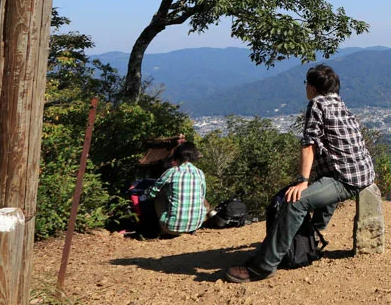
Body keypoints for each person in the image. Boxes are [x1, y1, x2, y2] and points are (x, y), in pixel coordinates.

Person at [225, 64, 376, 283]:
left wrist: (302, 181)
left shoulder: (316, 104)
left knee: (295, 201)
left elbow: (308, 145)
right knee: (320, 183)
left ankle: (263, 267)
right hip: (363, 172)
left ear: (313, 88)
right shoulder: (339, 103)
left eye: (307, 84)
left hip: (347, 179)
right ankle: (312, 233)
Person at [144, 141, 207, 236]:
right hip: (196, 225)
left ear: (176, 157)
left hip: (171, 227)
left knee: (159, 195)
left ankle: (161, 230)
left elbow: (152, 193)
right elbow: (203, 195)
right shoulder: (200, 173)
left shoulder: (171, 172)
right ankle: (190, 225)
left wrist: (145, 193)